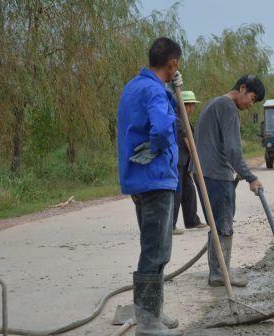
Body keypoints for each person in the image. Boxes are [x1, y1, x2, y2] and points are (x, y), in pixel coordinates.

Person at [117, 37, 183, 336]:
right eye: (175, 66)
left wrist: (170, 90)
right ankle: (147, 321)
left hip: (138, 179)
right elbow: (160, 127)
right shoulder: (155, 90)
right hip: (155, 178)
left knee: (153, 246)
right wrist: (159, 146)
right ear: (172, 64)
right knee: (156, 251)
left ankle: (153, 310)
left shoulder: (134, 87)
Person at [193, 75, 265, 287]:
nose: (250, 104)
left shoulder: (214, 103)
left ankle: (218, 270)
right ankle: (219, 274)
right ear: (242, 88)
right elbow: (233, 149)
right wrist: (250, 177)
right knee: (223, 224)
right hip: (216, 173)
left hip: (202, 171)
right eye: (251, 98)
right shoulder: (228, 108)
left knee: (216, 223)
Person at [171, 90, 207, 235]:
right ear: (185, 105)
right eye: (191, 105)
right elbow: (188, 142)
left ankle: (192, 220)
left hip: (185, 161)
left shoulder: (184, 119)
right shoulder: (177, 119)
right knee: (177, 193)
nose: (192, 108)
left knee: (189, 190)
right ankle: (171, 225)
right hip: (177, 161)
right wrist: (197, 157)